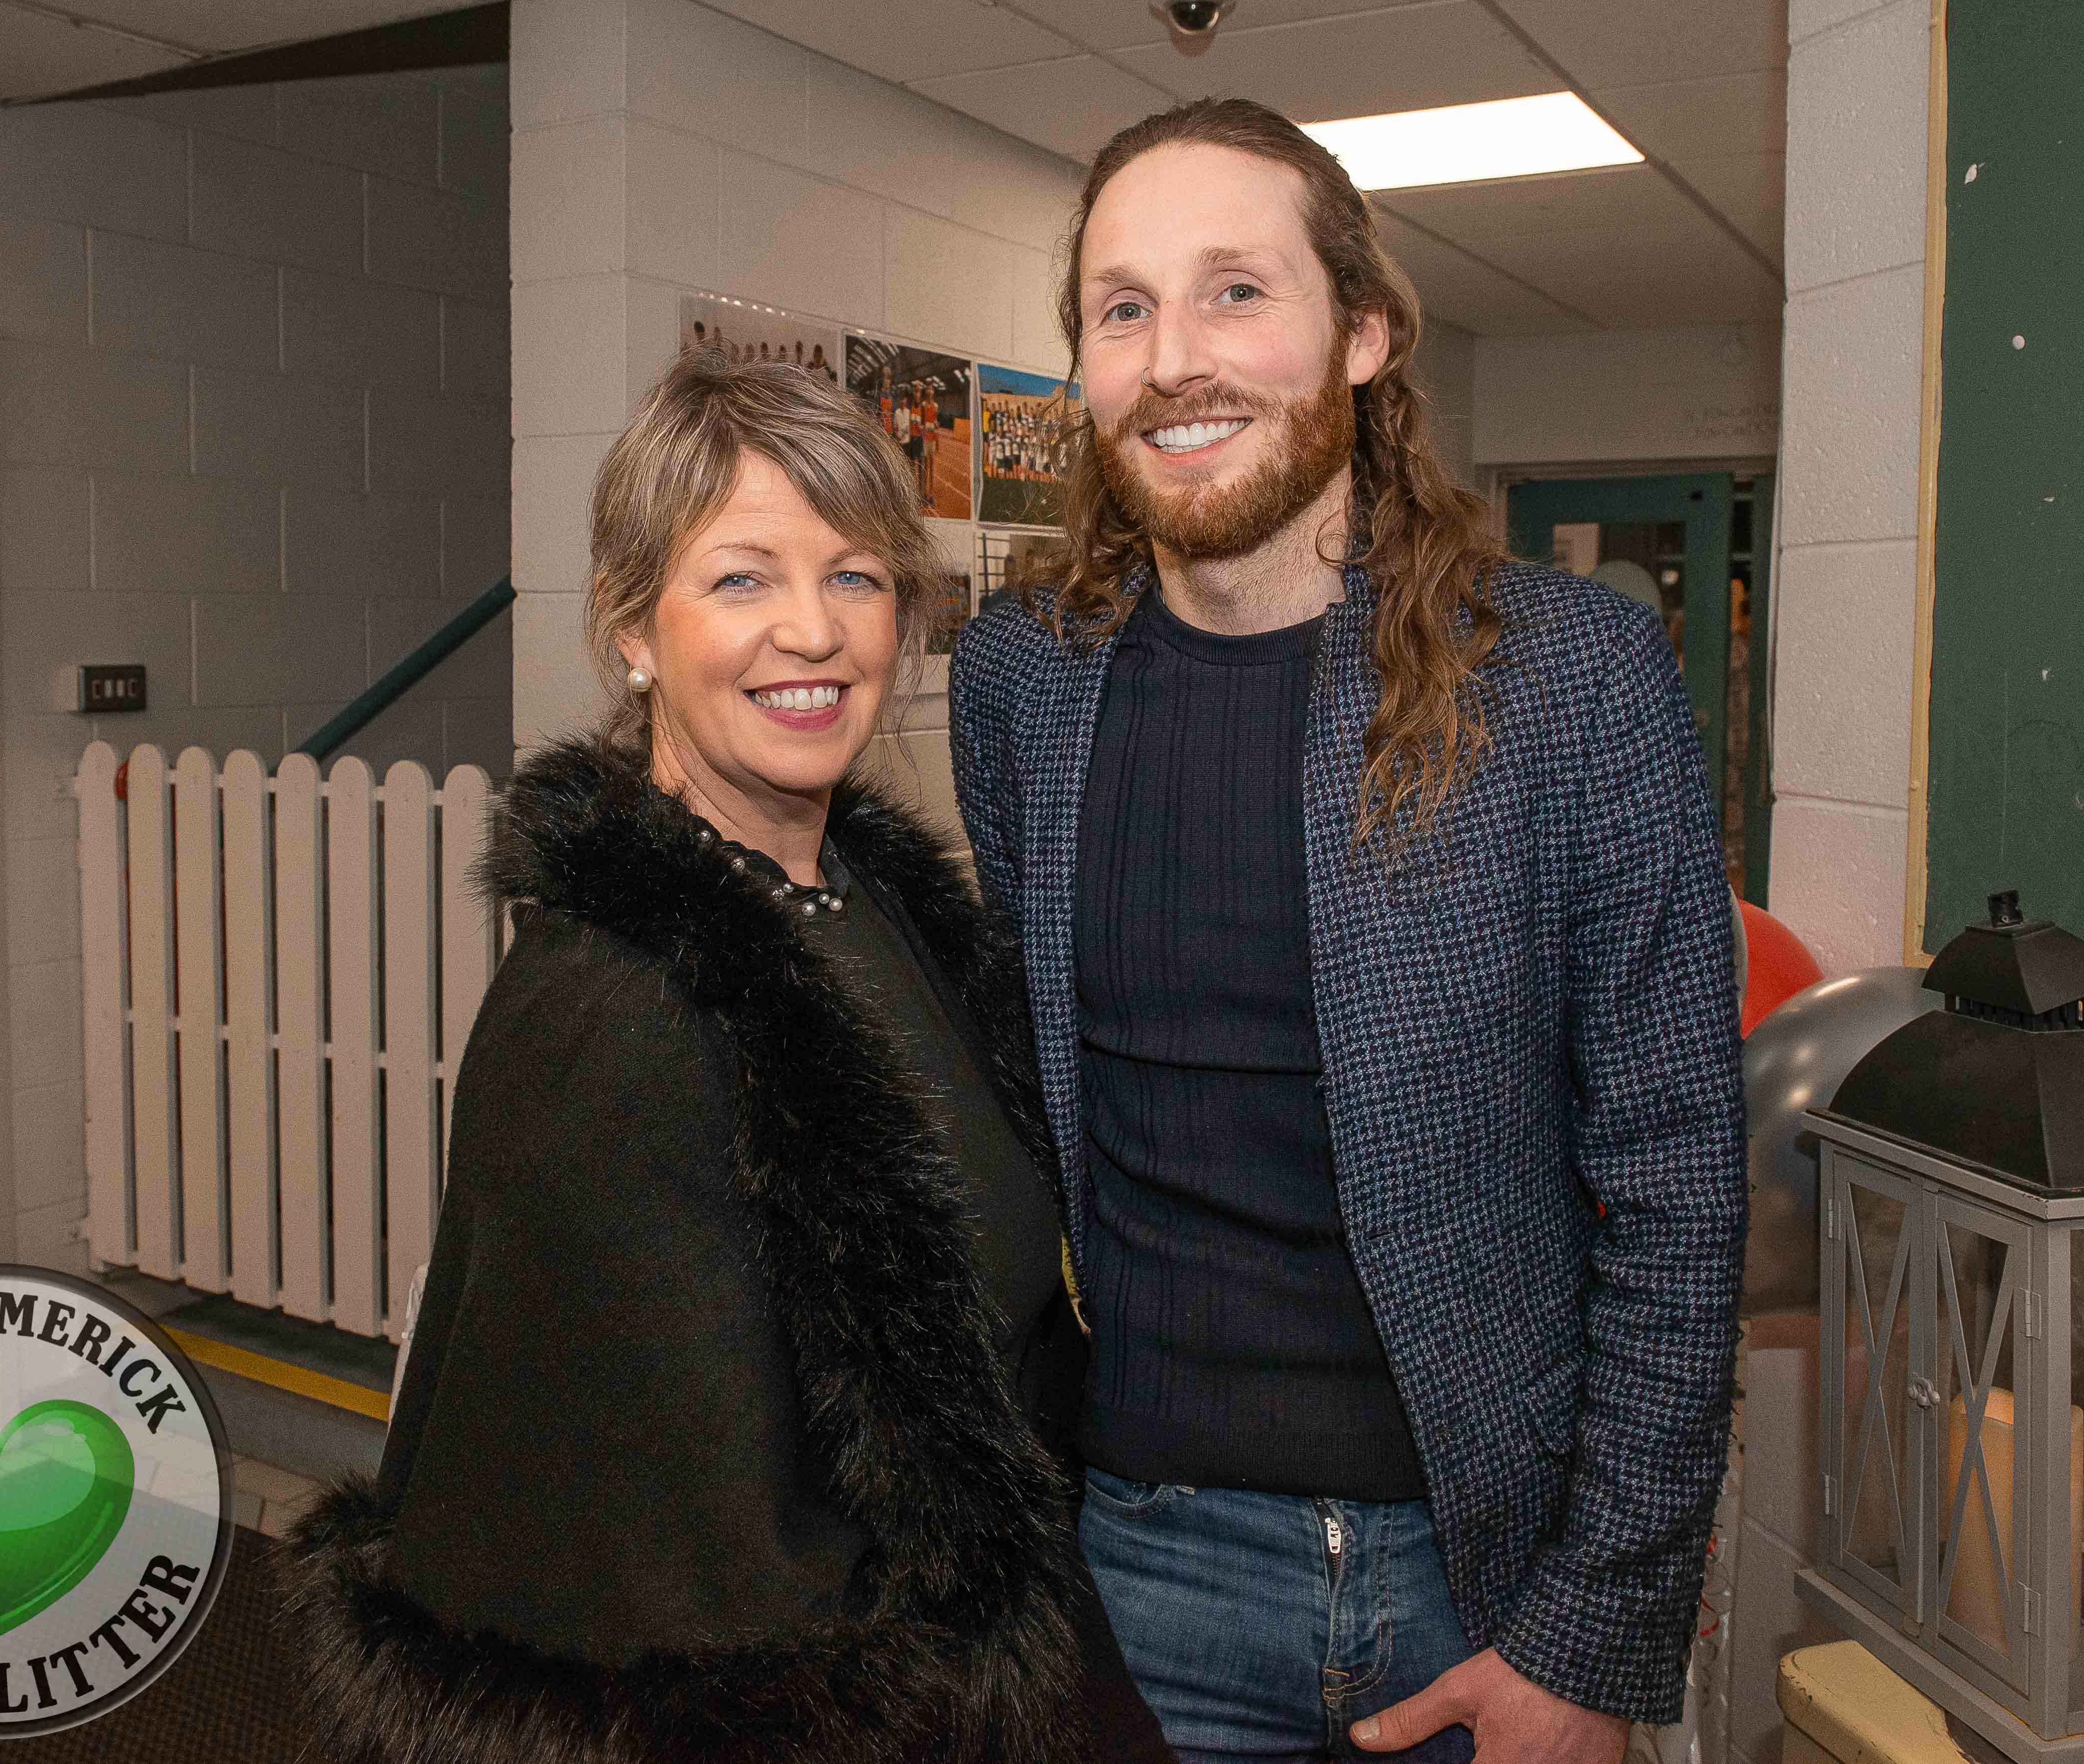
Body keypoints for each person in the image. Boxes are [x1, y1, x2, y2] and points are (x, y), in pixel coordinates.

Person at [949, 98, 1748, 1763]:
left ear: (1364, 335)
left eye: (1235, 291)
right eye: (1122, 307)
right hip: (1141, 1559)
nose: (1176, 357)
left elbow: (1677, 1178)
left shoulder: (1570, 677)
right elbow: (1024, 1095)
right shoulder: (1024, 681)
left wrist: (1588, 1639)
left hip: (1487, 1571)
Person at [283, 351, 1171, 1764]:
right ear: (632, 627)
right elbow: (633, 1588)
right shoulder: (614, 1007)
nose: (813, 632)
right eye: (743, 578)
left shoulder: (867, 905)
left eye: (855, 576)